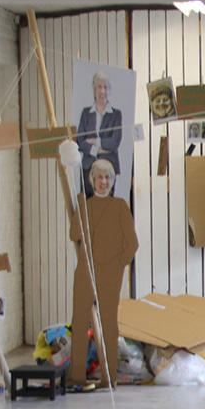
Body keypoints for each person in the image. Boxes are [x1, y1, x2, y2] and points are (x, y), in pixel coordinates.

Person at [68, 159, 139, 390]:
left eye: (108, 177)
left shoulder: (119, 206)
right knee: (79, 322)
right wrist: (80, 206)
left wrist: (118, 264)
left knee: (108, 323)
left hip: (109, 271)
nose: (104, 182)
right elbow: (74, 235)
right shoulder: (85, 205)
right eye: (100, 177)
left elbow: (132, 244)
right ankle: (77, 376)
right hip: (85, 269)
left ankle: (109, 378)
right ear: (92, 180)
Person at [77, 71, 123, 192]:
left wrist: (94, 141)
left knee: (107, 203)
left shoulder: (116, 114)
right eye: (99, 87)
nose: (102, 91)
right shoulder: (86, 113)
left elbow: (115, 143)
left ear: (109, 90)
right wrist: (98, 150)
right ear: (94, 90)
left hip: (108, 168)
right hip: (88, 167)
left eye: (105, 87)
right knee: (87, 202)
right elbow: (80, 142)